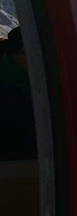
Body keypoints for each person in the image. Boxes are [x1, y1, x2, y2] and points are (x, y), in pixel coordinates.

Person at [0, 27, 37, 158]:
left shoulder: (35, 81)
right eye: (26, 52)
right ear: (13, 54)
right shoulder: (6, 89)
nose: (33, 58)